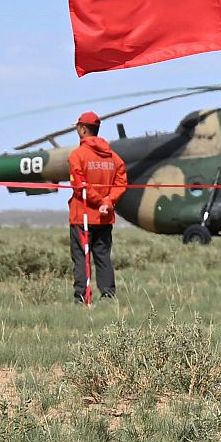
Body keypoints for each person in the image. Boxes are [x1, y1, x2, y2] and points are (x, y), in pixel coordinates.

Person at [69, 111, 127, 303]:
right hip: (105, 218)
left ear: (82, 129)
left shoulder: (77, 156)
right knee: (103, 256)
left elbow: (79, 187)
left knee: (81, 258)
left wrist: (100, 201)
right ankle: (109, 296)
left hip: (82, 217)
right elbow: (121, 185)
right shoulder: (115, 158)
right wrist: (108, 201)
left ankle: (82, 297)